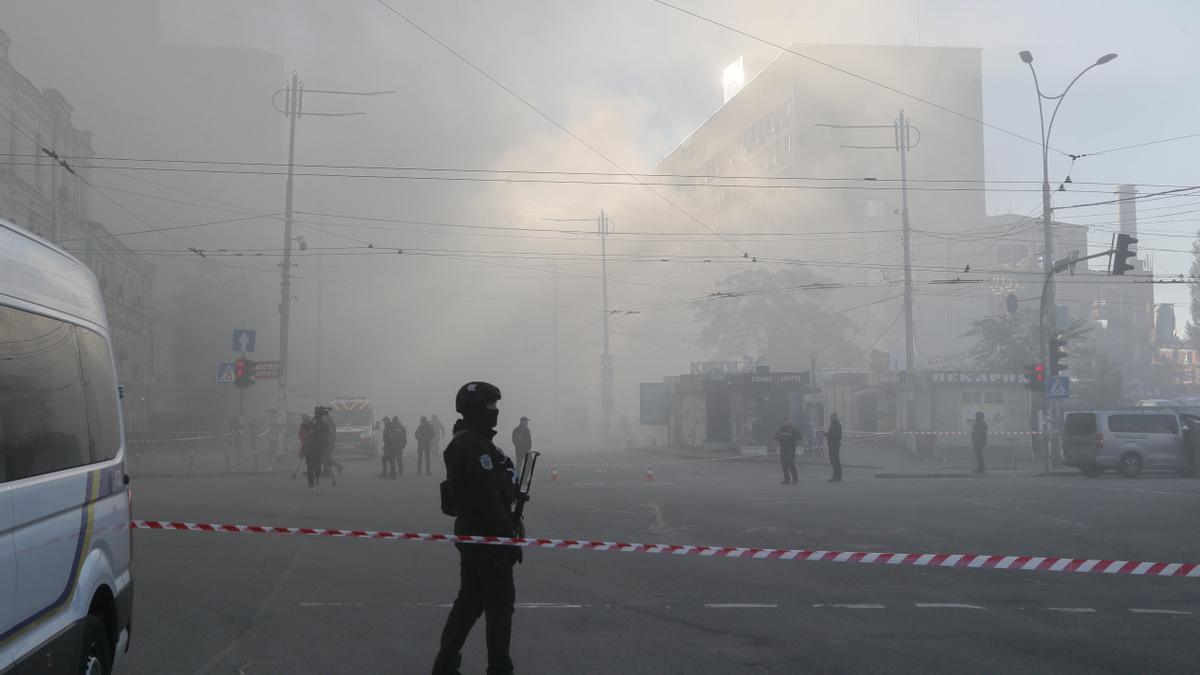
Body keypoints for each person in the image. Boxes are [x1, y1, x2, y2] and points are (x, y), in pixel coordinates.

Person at [432, 381, 523, 675]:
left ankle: (445, 663)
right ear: (475, 410)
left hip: (473, 534)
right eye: (490, 407)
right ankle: (499, 667)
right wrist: (507, 539)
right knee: (499, 608)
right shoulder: (474, 445)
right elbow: (486, 497)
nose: (495, 412)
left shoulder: (466, 441)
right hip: (488, 538)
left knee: (470, 602)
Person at [301, 411, 323, 493]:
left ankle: (317, 477)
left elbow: (319, 438)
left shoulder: (315, 426)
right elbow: (302, 440)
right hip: (308, 451)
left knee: (318, 468)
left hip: (317, 450)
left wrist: (321, 447)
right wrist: (302, 450)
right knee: (309, 468)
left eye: (306, 420)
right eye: (304, 420)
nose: (305, 421)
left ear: (309, 420)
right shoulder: (302, 428)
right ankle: (311, 485)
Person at [774, 419, 802, 485]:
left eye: (788, 422)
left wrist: (795, 442)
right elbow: (775, 437)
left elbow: (800, 437)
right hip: (783, 449)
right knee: (784, 465)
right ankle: (786, 479)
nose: (787, 423)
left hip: (791, 450)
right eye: (786, 422)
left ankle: (795, 478)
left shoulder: (794, 430)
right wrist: (777, 441)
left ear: (791, 423)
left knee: (791, 464)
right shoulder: (781, 430)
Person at [317, 407, 340, 486]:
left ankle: (329, 471)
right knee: (326, 457)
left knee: (324, 457)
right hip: (326, 442)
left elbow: (330, 433)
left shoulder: (329, 422)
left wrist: (326, 441)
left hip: (328, 443)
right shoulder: (327, 421)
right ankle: (336, 468)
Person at [827, 413, 844, 483]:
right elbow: (831, 434)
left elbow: (836, 435)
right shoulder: (833, 424)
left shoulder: (837, 425)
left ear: (835, 417)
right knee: (833, 460)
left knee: (836, 460)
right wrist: (826, 434)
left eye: (831, 417)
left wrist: (830, 436)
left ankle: (838, 477)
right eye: (830, 417)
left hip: (835, 445)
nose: (830, 418)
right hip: (831, 445)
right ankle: (835, 476)